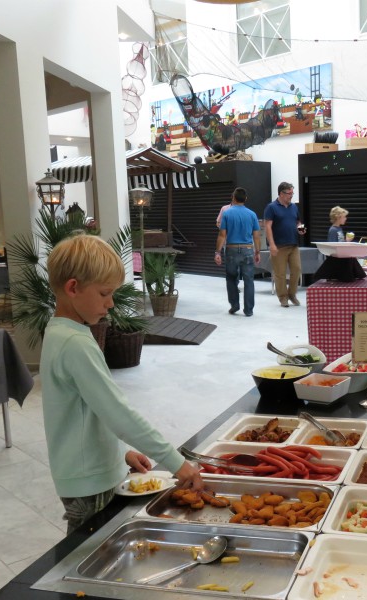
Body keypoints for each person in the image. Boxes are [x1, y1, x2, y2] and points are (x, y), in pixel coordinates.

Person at [41, 234, 203, 533]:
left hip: (85, 470)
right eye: (104, 293)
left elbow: (89, 412)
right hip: (90, 479)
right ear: (73, 288)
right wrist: (174, 461)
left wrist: (120, 454)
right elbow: (117, 412)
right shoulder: (76, 343)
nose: (111, 303)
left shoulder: (60, 331)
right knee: (89, 550)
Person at [214, 187, 261, 316]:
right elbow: (256, 236)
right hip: (247, 250)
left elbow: (222, 235)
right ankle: (249, 310)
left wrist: (217, 252)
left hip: (231, 249)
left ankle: (234, 306)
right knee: (249, 280)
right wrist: (257, 252)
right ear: (245, 199)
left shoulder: (227, 213)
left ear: (233, 197)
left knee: (231, 278)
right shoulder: (252, 214)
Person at [264, 181, 305, 307]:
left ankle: (292, 294)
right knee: (280, 273)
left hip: (293, 244)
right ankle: (283, 297)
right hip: (279, 246)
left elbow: (298, 222)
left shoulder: (293, 207)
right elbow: (268, 226)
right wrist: (271, 244)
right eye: (289, 193)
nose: (291, 195)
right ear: (281, 193)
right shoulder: (271, 207)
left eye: (292, 193)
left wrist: (301, 228)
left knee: (297, 269)